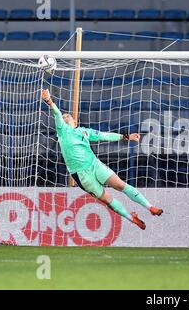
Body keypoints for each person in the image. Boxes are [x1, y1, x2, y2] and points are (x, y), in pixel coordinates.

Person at [41, 89, 163, 230]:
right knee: (108, 199)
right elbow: (56, 113)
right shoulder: (62, 131)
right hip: (81, 175)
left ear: (75, 122)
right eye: (64, 116)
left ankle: (150, 207)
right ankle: (132, 218)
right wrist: (49, 101)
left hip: (95, 165)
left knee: (120, 185)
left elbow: (104, 135)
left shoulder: (84, 132)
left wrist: (126, 136)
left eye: (68, 116)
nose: (65, 116)